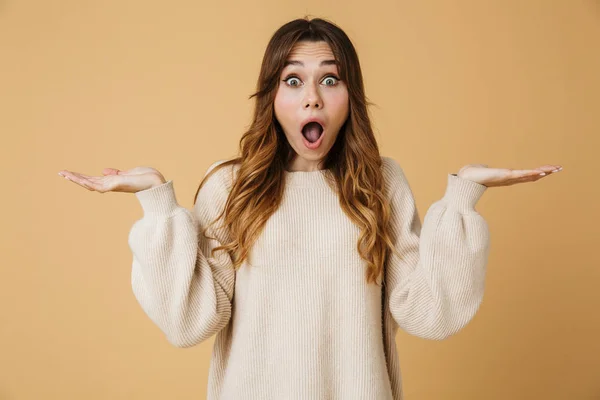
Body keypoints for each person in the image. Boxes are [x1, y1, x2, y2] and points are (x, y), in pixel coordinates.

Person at [58, 16, 562, 400]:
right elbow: (188, 321)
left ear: (350, 96)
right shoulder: (229, 186)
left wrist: (463, 196)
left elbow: (429, 313)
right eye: (293, 80)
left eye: (331, 79)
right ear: (272, 97)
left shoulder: (380, 184)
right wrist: (157, 202)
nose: (313, 99)